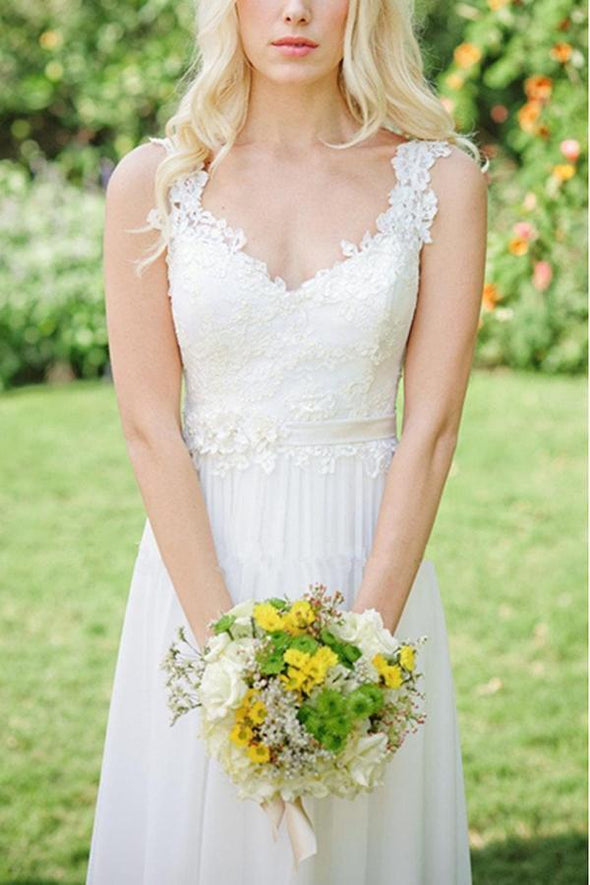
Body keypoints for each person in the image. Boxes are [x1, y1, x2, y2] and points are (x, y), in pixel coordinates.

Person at [86, 0, 488, 882]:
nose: (296, 9)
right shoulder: (156, 184)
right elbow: (150, 426)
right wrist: (225, 658)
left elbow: (432, 427)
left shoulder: (441, 182)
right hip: (200, 577)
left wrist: (363, 657)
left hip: (374, 564)